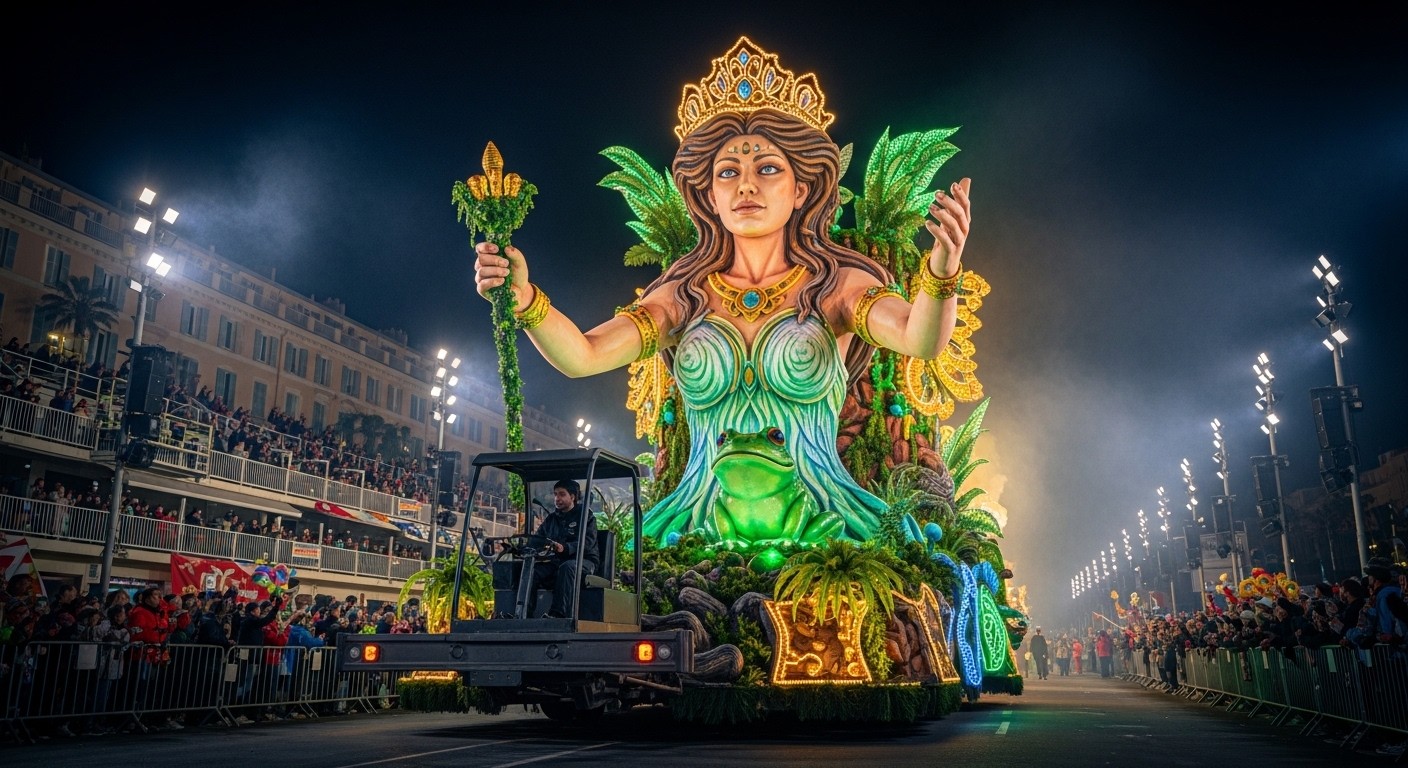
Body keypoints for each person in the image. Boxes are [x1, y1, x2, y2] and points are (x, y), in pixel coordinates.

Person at [472, 38, 972, 544]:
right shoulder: (683, 296)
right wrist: (526, 301)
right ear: (709, 195)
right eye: (729, 172)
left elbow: (919, 337)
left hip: (826, 532)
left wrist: (943, 268)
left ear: (801, 190)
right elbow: (583, 355)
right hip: (696, 529)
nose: (746, 186)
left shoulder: (834, 285)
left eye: (768, 169)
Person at [527, 479, 599, 618]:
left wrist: (566, 548)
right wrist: (523, 547)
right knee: (532, 571)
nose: (557, 498)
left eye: (561, 494)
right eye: (555, 494)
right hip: (558, 562)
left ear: (572, 497)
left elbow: (588, 543)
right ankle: (524, 614)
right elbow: (537, 540)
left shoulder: (585, 517)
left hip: (584, 561)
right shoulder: (552, 519)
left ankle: (558, 615)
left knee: (567, 567)